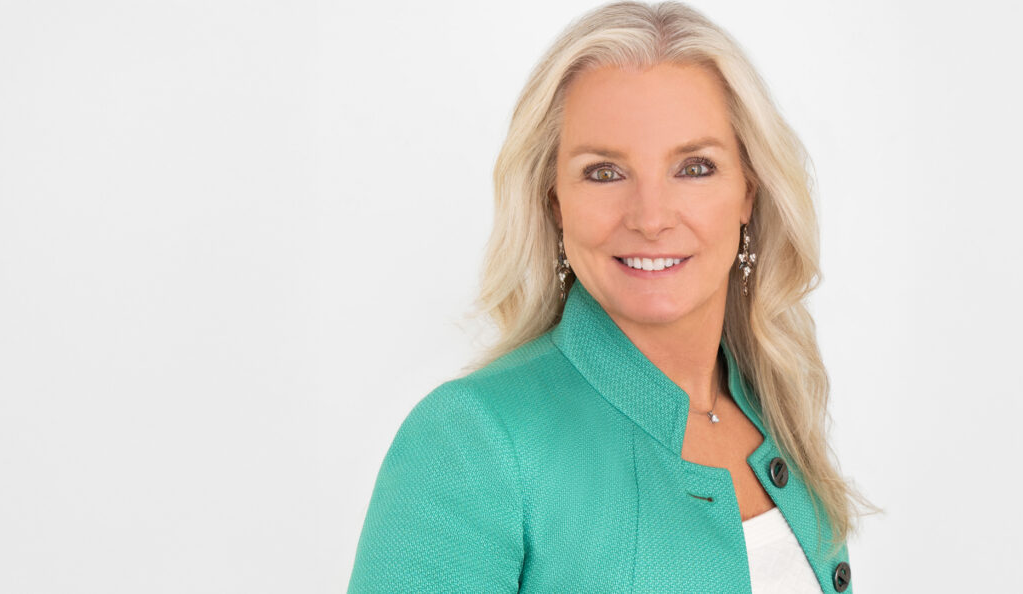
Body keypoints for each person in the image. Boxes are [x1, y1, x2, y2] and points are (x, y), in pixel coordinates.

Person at [348, 2, 876, 591]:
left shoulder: (776, 403)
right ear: (555, 202)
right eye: (604, 172)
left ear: (748, 193)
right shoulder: (470, 441)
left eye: (694, 167)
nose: (650, 218)